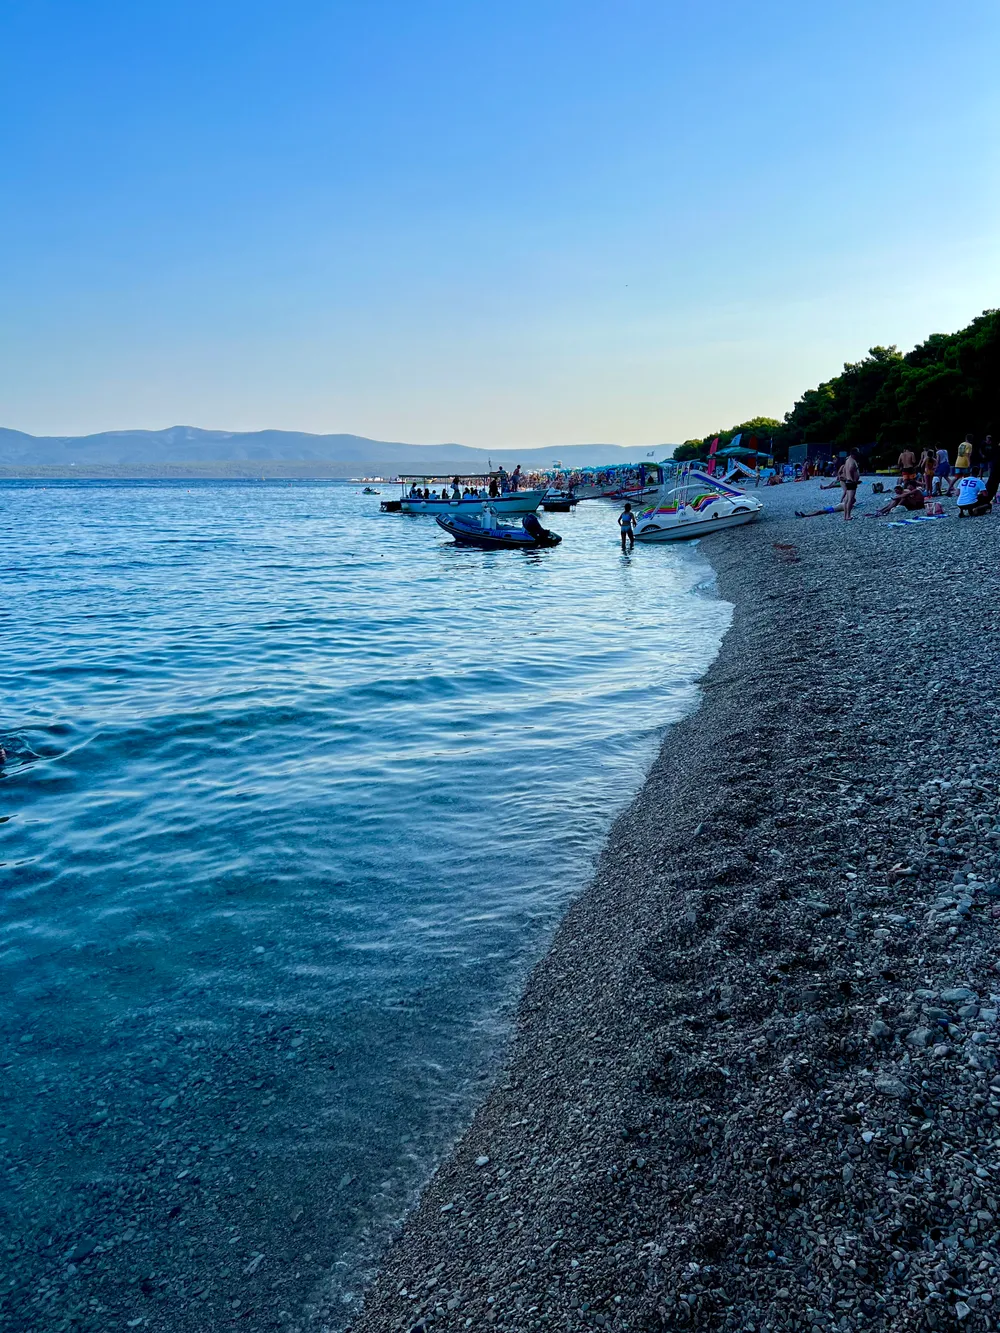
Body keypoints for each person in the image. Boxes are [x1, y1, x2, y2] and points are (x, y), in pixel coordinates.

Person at [840, 447, 861, 520]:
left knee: (846, 500)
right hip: (851, 482)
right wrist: (853, 480)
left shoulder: (847, 461)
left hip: (848, 481)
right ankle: (848, 515)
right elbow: (851, 470)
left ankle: (845, 516)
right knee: (850, 500)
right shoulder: (852, 461)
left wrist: (847, 478)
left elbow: (845, 470)